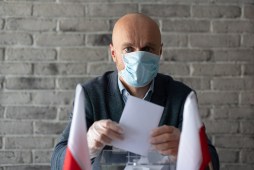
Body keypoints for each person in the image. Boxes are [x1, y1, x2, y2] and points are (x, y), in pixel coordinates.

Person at [51, 13, 219, 170]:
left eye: (147, 49)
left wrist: (187, 148)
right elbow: (57, 162)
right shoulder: (90, 95)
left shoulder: (182, 97)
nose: (138, 57)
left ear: (160, 52)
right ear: (114, 53)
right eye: (129, 49)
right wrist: (85, 146)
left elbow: (212, 163)